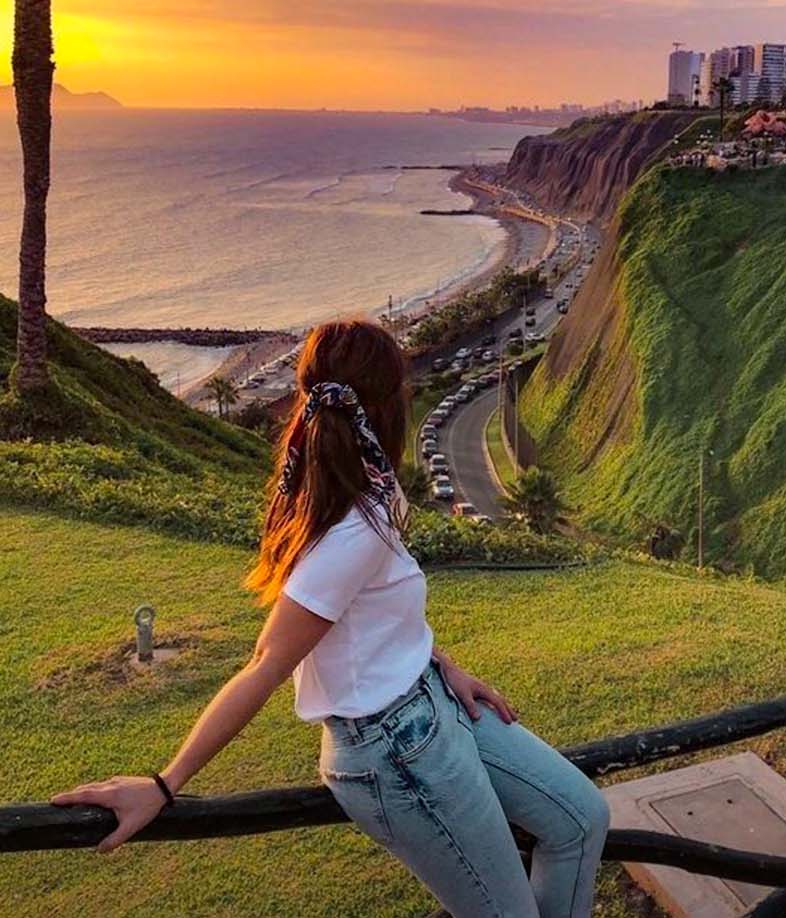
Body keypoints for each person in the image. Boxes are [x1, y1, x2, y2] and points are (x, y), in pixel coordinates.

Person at [52, 318, 609, 917]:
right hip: (394, 750)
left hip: (432, 702)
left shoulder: (373, 494)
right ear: (385, 406)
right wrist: (165, 784)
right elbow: (265, 663)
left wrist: (439, 661)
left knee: (581, 819)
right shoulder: (347, 534)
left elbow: (376, 610)